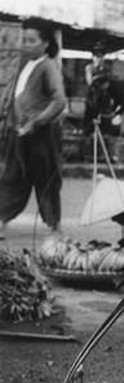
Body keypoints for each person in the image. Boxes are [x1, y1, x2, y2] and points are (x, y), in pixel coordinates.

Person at [0, 19, 66, 240]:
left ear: (46, 43)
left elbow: (59, 101)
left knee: (45, 178)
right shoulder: (25, 63)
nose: (26, 44)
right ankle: (2, 219)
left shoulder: (48, 66)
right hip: (20, 133)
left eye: (32, 40)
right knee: (12, 176)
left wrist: (35, 122)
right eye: (24, 39)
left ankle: (54, 225)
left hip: (42, 136)